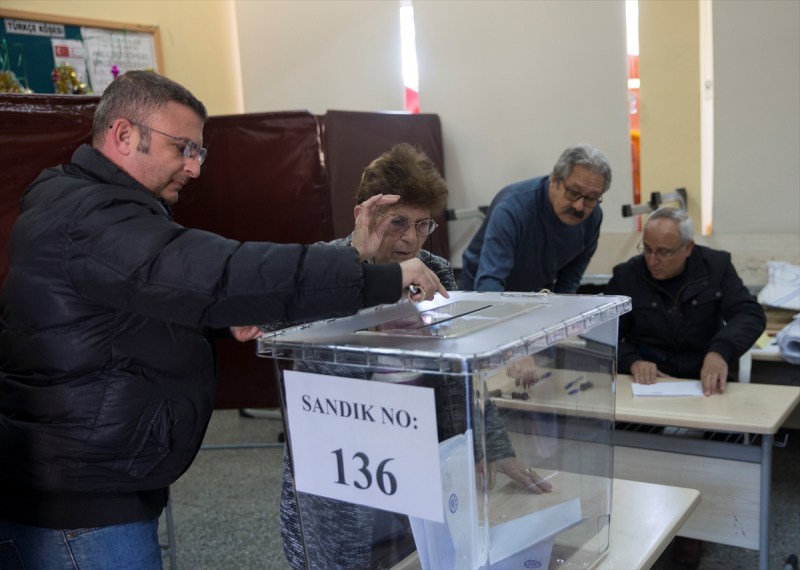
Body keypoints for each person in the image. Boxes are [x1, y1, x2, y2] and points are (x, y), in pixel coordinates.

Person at [0, 71, 446, 569]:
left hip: (87, 479)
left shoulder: (89, 206)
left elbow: (130, 307)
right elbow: (224, 273)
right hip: (82, 503)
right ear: (124, 135)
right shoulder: (94, 218)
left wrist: (218, 320)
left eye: (200, 152)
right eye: (182, 148)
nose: (194, 168)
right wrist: (380, 277)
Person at [278, 143, 553, 570]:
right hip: (343, 473)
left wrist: (494, 445)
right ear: (363, 216)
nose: (411, 239)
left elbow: (457, 374)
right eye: (397, 223)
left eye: (422, 224)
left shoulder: (434, 271)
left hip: (418, 463)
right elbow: (271, 321)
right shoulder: (325, 267)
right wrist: (358, 265)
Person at [604, 206, 766, 396]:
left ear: (688, 248)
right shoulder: (627, 275)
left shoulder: (716, 267)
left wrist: (720, 351)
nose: (652, 260)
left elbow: (749, 314)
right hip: (648, 382)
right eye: (647, 249)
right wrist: (631, 361)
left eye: (664, 252)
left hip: (703, 378)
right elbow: (603, 331)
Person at [460, 143, 612, 293]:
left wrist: (562, 307)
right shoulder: (512, 209)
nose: (579, 206)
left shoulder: (592, 217)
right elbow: (489, 282)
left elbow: (570, 279)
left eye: (591, 198)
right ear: (554, 181)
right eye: (573, 192)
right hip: (479, 293)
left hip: (533, 293)